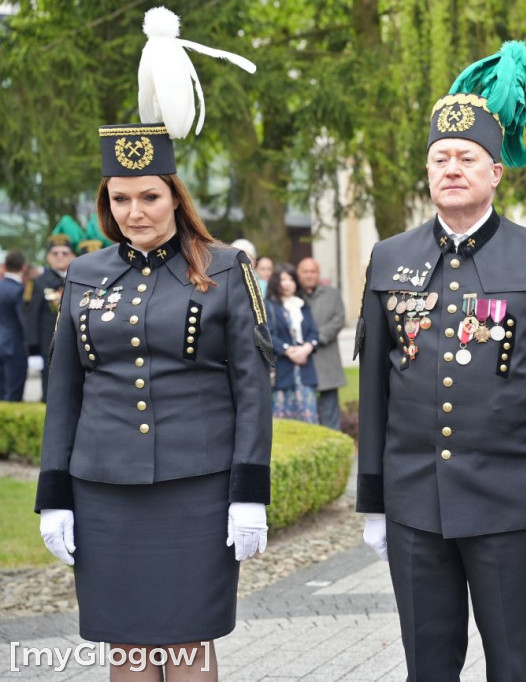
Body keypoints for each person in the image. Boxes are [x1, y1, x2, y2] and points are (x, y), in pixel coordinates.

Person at [34, 7, 267, 680]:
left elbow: (251, 385)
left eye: (150, 197)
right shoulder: (84, 273)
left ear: (175, 197)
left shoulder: (224, 268)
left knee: (189, 646)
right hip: (104, 490)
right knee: (127, 648)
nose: (136, 212)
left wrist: (249, 490)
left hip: (196, 490)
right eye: (122, 198)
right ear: (107, 200)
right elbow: (65, 390)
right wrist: (54, 493)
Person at [355, 41, 526, 681]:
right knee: (427, 668)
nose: (451, 168)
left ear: (496, 173)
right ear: (427, 173)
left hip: (508, 507)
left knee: (514, 667)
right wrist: (372, 499)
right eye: (440, 158)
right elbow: (374, 390)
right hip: (414, 507)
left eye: (467, 158)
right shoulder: (387, 259)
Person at [23, 217, 83, 401]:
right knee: (51, 394)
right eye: (55, 253)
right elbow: (30, 318)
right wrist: (33, 351)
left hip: (79, 346)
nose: (60, 256)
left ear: (73, 256)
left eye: (65, 253)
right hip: (49, 348)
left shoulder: (81, 281)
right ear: (48, 257)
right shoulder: (38, 283)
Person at [266, 263, 320, 424]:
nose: (287, 283)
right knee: (283, 422)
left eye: (291, 279)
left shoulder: (302, 305)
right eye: (283, 279)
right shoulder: (269, 305)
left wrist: (307, 348)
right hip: (283, 370)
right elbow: (268, 334)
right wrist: (289, 351)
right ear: (276, 282)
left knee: (309, 421)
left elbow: (313, 332)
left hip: (305, 370)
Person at [296, 257, 346, 429]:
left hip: (326, 361)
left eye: (313, 271)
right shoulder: (292, 295)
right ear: (298, 274)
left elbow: (338, 319)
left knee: (330, 411)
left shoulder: (332, 295)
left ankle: (334, 450)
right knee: (303, 414)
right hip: (300, 362)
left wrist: (315, 339)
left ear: (318, 274)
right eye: (305, 271)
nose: (309, 275)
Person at [0, 249, 28, 401]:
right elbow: (24, 321)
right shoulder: (18, 291)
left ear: (5, 266)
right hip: (14, 347)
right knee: (13, 395)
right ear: (23, 267)